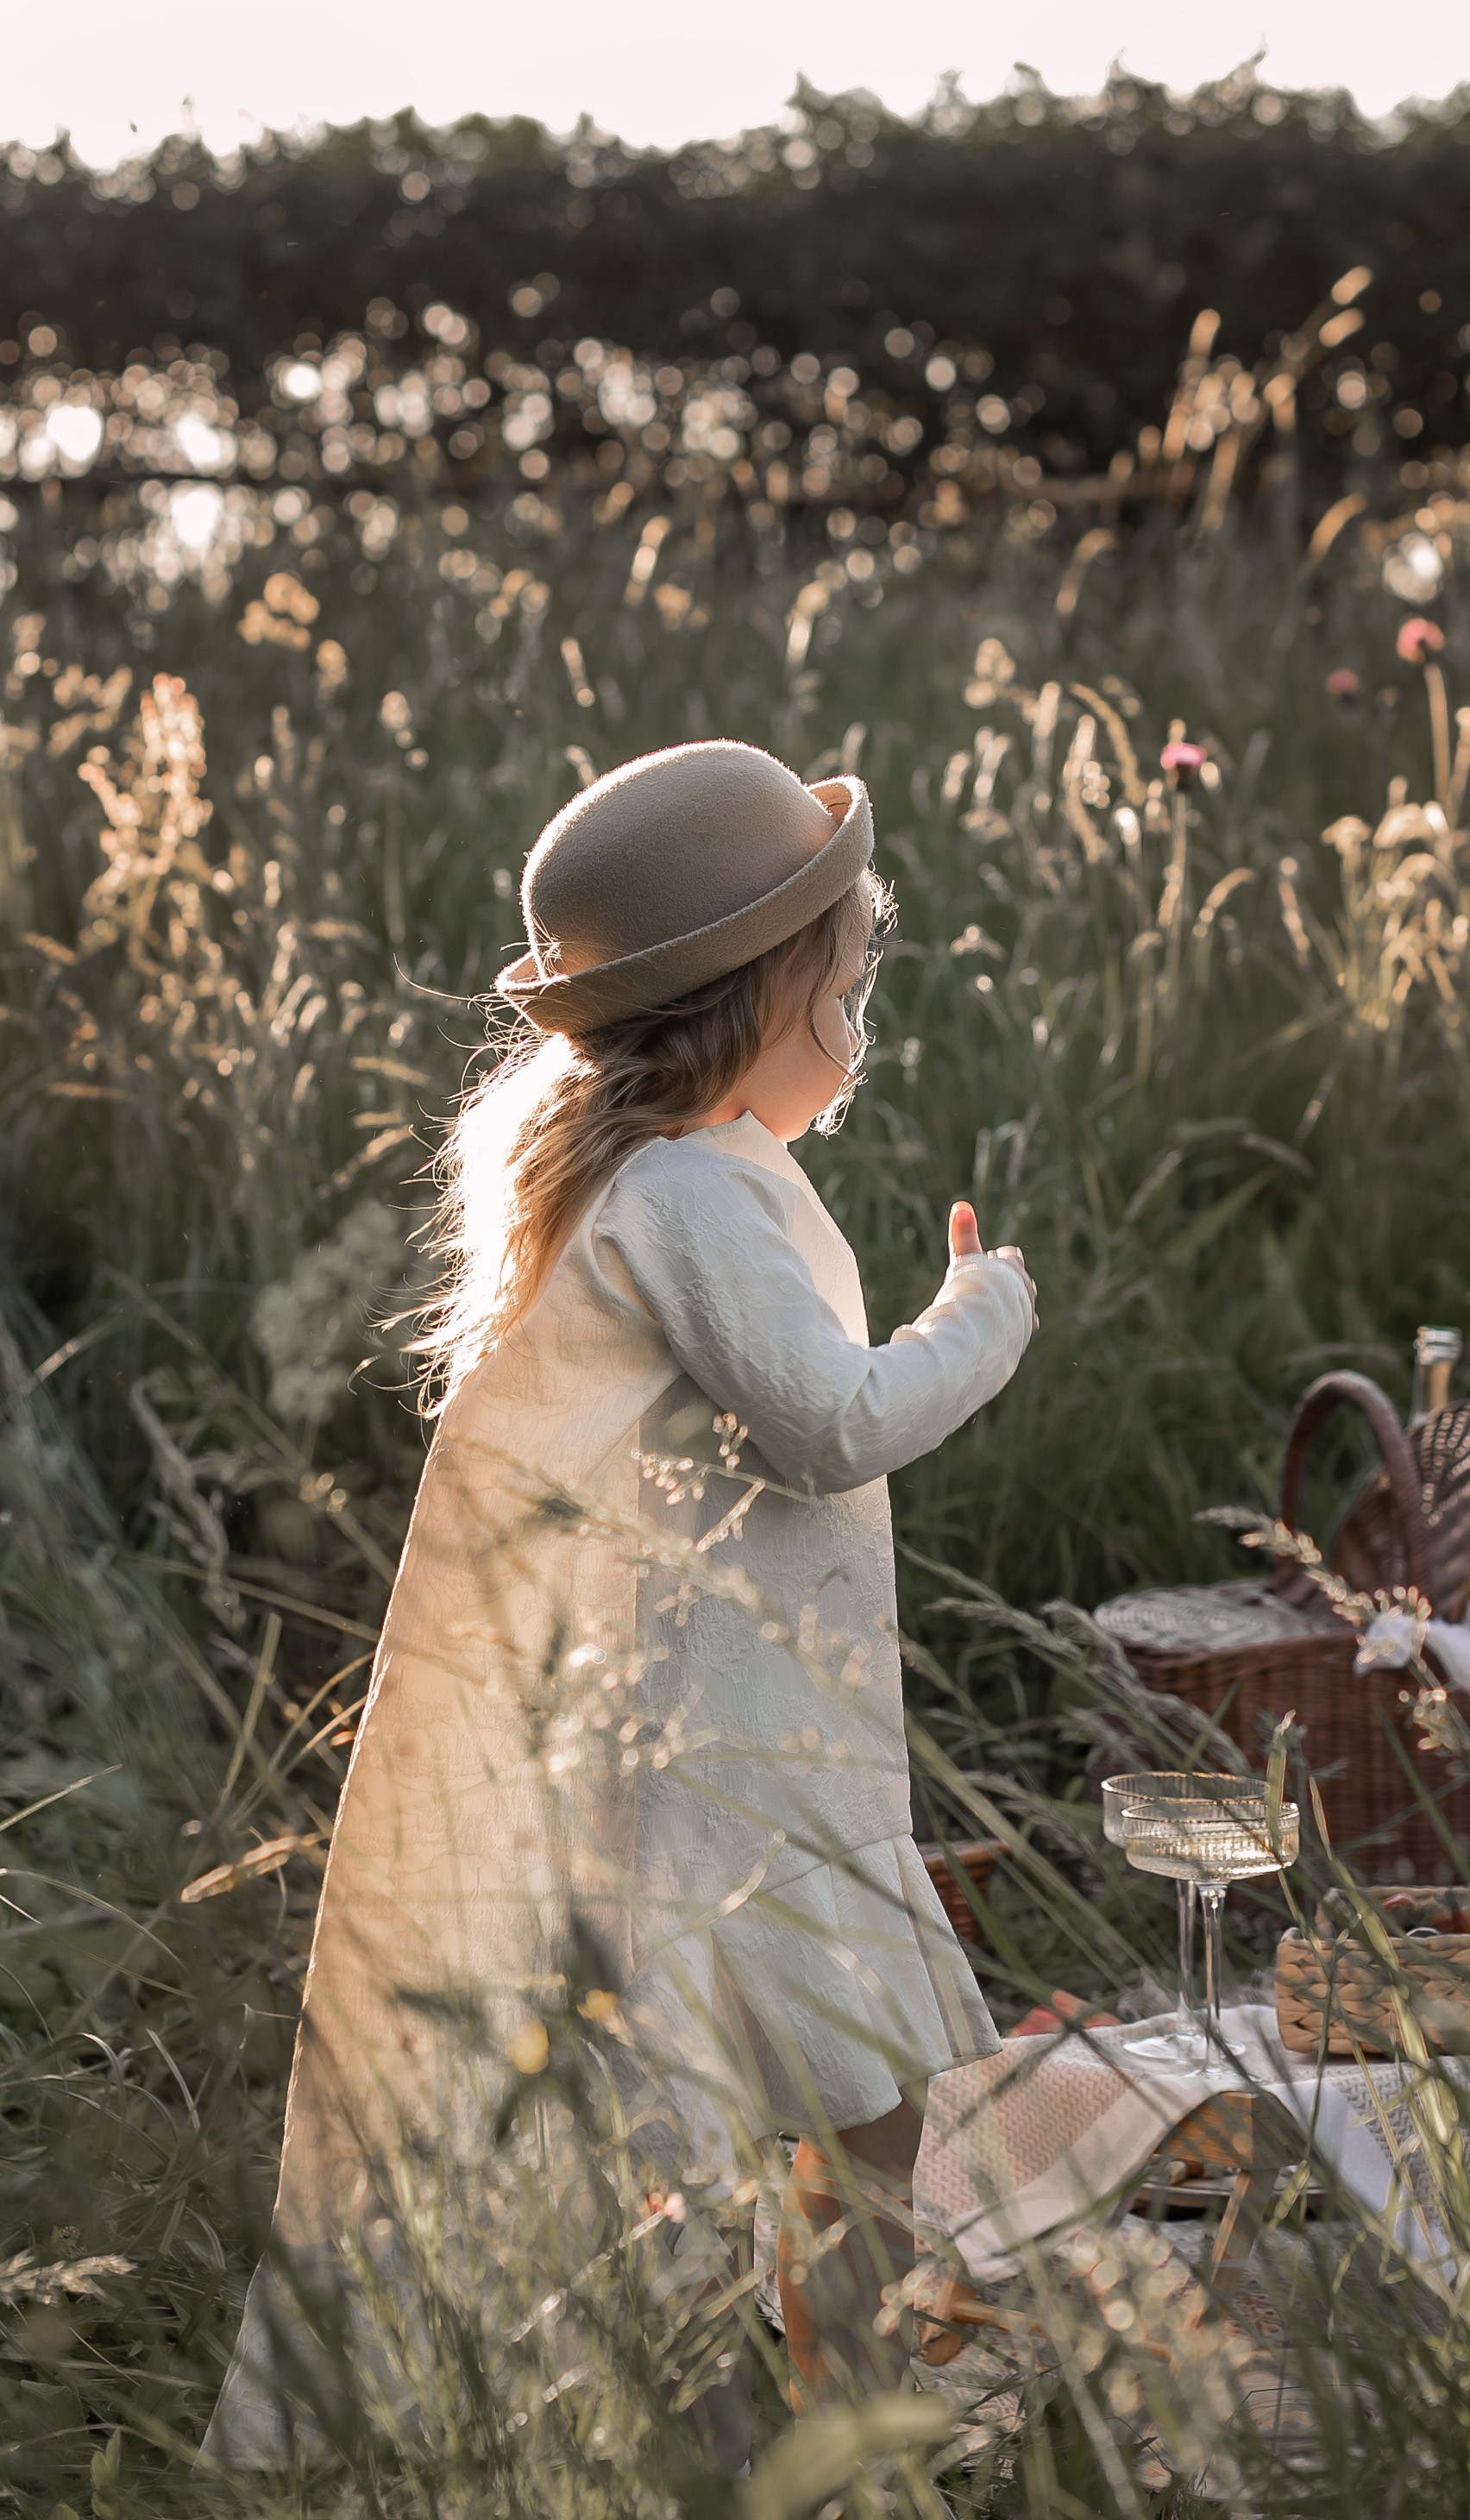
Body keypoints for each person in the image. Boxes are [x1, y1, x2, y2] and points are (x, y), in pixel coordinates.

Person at [204, 738, 1036, 2460]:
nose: (859, 1018)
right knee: (797, 2113)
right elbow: (830, 1425)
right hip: (722, 1779)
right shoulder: (688, 1194)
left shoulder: (683, 1176)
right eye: (845, 979)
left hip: (773, 1750)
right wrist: (981, 1314)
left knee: (842, 2104)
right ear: (758, 997)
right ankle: (772, 2421)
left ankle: (818, 2412)